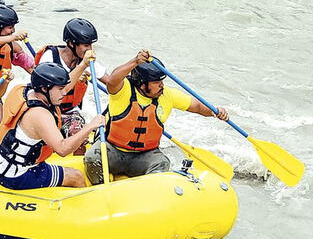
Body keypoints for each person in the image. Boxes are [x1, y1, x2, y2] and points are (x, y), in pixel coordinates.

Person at [84, 53, 229, 183]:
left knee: (162, 164)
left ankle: (145, 196)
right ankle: (100, 189)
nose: (161, 86)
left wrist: (214, 111)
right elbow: (112, 81)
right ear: (142, 83)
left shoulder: (167, 95)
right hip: (112, 150)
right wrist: (135, 61)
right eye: (156, 82)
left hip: (144, 156)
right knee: (92, 158)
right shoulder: (123, 90)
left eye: (161, 81)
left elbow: (197, 106)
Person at [0, 63, 105, 190]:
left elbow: (61, 88)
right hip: (16, 176)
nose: (64, 92)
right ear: (44, 89)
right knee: (76, 176)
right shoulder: (39, 115)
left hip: (4, 162)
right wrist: (91, 126)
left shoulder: (26, 90)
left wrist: (84, 63)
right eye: (60, 89)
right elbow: (62, 150)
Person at [34, 18, 107, 138]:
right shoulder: (50, 57)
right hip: (46, 108)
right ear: (72, 44)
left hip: (70, 112)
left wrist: (135, 64)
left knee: (79, 134)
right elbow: (61, 89)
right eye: (86, 45)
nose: (90, 49)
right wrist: (81, 68)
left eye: (91, 45)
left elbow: (110, 81)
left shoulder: (86, 60)